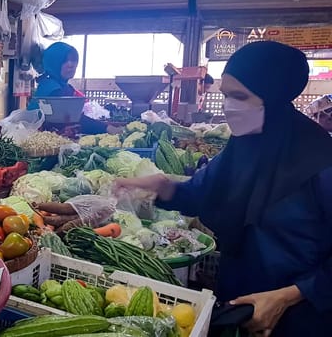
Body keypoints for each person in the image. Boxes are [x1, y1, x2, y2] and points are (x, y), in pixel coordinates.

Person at [115, 41, 332, 336]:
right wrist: (164, 187)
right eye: (226, 95)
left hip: (299, 316)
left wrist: (287, 296)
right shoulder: (243, 146)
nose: (230, 105)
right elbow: (203, 193)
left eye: (239, 96)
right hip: (237, 302)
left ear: (273, 96)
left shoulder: (321, 162)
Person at [29, 42, 121, 135]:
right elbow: (75, 119)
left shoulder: (63, 86)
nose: (71, 64)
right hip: (44, 142)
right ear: (53, 63)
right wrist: (107, 128)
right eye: (64, 60)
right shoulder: (52, 89)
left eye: (73, 60)